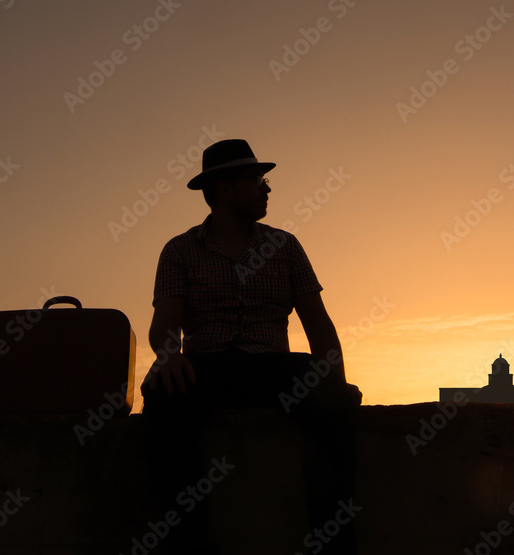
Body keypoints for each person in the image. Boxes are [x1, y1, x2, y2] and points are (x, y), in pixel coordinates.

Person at [140, 139, 361, 554]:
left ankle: (334, 545)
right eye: (257, 179)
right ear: (224, 188)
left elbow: (320, 327)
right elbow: (164, 324)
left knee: (332, 399)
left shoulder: (286, 246)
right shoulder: (179, 251)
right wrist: (168, 356)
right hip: (204, 368)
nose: (267, 188)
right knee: (160, 397)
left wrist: (337, 384)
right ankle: (185, 545)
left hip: (272, 367)